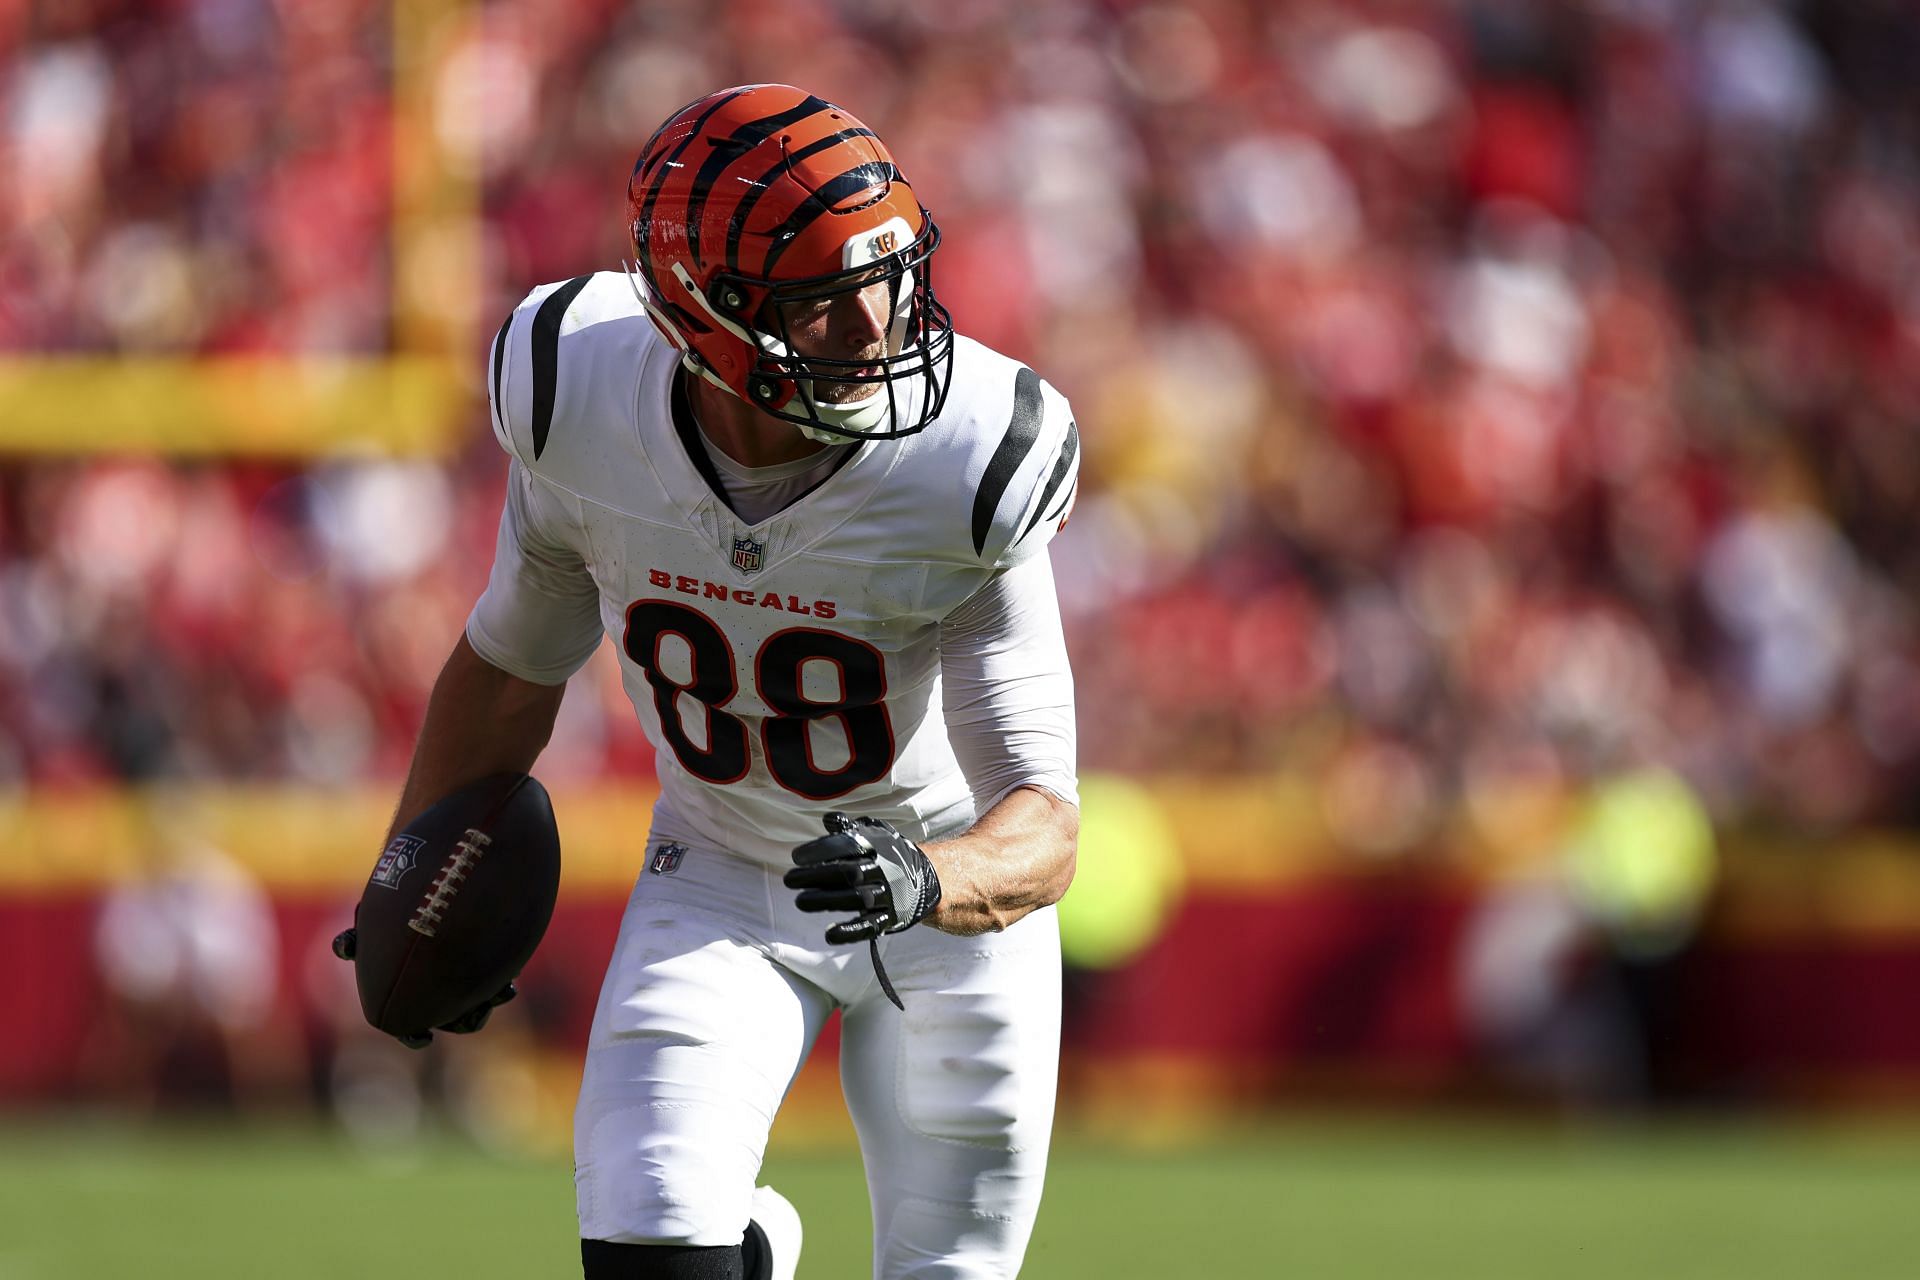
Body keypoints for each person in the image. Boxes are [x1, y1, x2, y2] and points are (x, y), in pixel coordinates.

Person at [376, 85, 1082, 1279]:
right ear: (706, 316)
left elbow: (1047, 824)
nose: (877, 325)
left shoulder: (972, 457)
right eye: (824, 303)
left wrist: (927, 874)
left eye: (891, 274)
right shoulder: (575, 392)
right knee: (650, 1245)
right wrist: (409, 871)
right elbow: (511, 663)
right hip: (723, 871)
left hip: (952, 907)